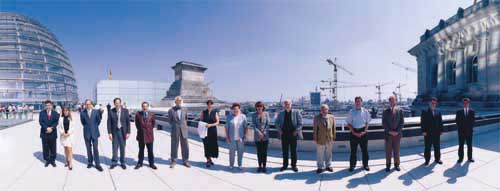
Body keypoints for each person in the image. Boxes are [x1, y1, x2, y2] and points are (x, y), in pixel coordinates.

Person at [275, 99, 303, 172]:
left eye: (288, 104)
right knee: (285, 151)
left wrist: (296, 131)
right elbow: (277, 123)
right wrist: (279, 130)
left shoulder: (296, 112)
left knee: (293, 151)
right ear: (284, 105)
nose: (287, 105)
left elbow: (301, 123)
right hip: (284, 135)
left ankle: (294, 165)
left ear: (291, 104)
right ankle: (285, 165)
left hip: (293, 135)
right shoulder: (281, 113)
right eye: (286, 104)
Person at [346, 96, 371, 172]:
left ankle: (365, 165)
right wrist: (354, 132)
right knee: (353, 151)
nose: (358, 103)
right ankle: (352, 165)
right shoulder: (351, 111)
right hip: (354, 132)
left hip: (363, 132)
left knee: (365, 150)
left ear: (361, 102)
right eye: (356, 101)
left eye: (359, 101)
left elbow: (367, 122)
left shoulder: (365, 111)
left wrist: (365, 131)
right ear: (355, 102)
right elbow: (349, 124)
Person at [80, 99, 104, 171]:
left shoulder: (96, 112)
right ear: (85, 105)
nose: (88, 105)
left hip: (95, 132)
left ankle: (97, 164)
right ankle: (90, 162)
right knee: (88, 148)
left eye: (89, 104)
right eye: (86, 104)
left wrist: (94, 127)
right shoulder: (82, 113)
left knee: (96, 149)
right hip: (86, 133)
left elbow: (98, 121)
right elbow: (83, 122)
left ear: (91, 104)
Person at [167, 96, 191, 168]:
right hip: (175, 129)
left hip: (184, 129)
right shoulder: (171, 110)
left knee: (185, 145)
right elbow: (170, 121)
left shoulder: (185, 109)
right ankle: (173, 161)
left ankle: (185, 160)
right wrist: (176, 126)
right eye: (177, 101)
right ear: (175, 102)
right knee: (174, 145)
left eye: (180, 101)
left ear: (181, 102)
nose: (179, 102)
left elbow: (185, 119)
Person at [107, 97, 131, 170]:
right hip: (114, 132)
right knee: (114, 148)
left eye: (118, 102)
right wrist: (109, 133)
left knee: (122, 147)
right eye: (116, 103)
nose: (117, 104)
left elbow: (128, 122)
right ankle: (114, 162)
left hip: (123, 132)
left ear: (120, 103)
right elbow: (109, 123)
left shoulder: (125, 111)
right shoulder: (111, 111)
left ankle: (122, 162)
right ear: (114, 104)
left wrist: (128, 132)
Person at [382, 96, 404, 172]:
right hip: (388, 135)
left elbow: (402, 122)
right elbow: (384, 123)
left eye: (393, 101)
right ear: (389, 102)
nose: (392, 102)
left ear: (396, 101)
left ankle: (396, 165)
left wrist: (397, 131)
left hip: (397, 135)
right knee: (388, 151)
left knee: (396, 151)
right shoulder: (385, 111)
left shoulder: (400, 110)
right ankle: (388, 165)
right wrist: (390, 131)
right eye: (390, 101)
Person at [313, 104, 336, 174]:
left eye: (325, 109)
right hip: (320, 138)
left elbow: (334, 128)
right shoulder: (317, 118)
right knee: (320, 154)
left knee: (328, 153)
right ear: (321, 110)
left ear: (328, 110)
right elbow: (315, 129)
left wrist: (334, 137)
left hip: (329, 138)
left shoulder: (332, 117)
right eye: (322, 109)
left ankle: (328, 166)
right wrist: (315, 138)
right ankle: (320, 167)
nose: (324, 111)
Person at [225, 103, 248, 170]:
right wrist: (227, 137)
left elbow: (245, 127)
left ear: (239, 109)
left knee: (240, 152)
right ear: (232, 110)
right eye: (234, 109)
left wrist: (245, 135)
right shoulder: (229, 117)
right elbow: (226, 128)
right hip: (232, 138)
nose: (236, 110)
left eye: (237, 109)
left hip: (240, 138)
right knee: (231, 152)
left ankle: (240, 164)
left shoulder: (243, 116)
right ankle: (231, 164)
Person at [421, 97, 444, 165]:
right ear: (429, 103)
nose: (433, 104)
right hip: (428, 133)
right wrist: (423, 131)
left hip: (437, 133)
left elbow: (440, 122)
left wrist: (441, 130)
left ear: (436, 103)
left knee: (437, 146)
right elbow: (422, 122)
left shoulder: (438, 112)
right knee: (427, 147)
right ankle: (427, 160)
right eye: (432, 103)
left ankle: (437, 159)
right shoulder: (424, 111)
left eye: (434, 103)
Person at [134, 102, 157, 169]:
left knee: (150, 151)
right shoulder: (138, 114)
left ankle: (151, 163)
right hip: (141, 135)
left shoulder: (152, 114)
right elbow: (137, 125)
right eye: (143, 106)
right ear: (142, 107)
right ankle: (139, 163)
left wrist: (148, 130)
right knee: (141, 150)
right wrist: (142, 130)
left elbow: (153, 124)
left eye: (146, 106)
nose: (145, 107)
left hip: (149, 135)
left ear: (148, 107)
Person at [199, 100, 220, 168]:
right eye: (208, 104)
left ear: (212, 105)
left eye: (211, 104)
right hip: (205, 131)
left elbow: (217, 122)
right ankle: (208, 160)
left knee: (212, 145)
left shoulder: (215, 112)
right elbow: (200, 121)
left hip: (213, 131)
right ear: (207, 105)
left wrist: (210, 125)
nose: (209, 105)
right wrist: (203, 125)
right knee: (206, 145)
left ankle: (210, 159)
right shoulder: (203, 112)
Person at [39, 100, 60, 167]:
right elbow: (41, 122)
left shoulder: (55, 113)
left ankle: (52, 160)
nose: (48, 107)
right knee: (45, 147)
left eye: (49, 105)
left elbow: (56, 122)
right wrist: (46, 128)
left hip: (53, 133)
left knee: (53, 147)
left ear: (51, 106)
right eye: (46, 105)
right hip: (44, 132)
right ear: (45, 106)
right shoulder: (42, 113)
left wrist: (52, 128)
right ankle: (47, 160)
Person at [252, 101, 270, 173]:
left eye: (261, 106)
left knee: (264, 152)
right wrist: (259, 133)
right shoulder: (254, 115)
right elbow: (253, 125)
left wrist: (264, 133)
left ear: (263, 107)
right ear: (256, 107)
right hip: (257, 136)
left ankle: (264, 166)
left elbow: (268, 125)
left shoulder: (266, 114)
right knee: (259, 152)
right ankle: (260, 166)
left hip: (265, 137)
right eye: (258, 106)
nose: (259, 108)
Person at [455, 98, 475, 163]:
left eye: (467, 103)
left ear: (469, 103)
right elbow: (457, 121)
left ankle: (470, 157)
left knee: (469, 145)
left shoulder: (472, 112)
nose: (465, 104)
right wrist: (460, 129)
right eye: (464, 103)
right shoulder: (459, 112)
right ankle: (460, 158)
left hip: (469, 132)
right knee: (461, 145)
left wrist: (470, 129)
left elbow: (473, 121)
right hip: (461, 132)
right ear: (463, 103)